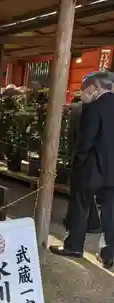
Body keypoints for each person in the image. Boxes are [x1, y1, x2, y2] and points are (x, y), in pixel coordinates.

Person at [50, 72, 114, 269]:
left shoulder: (93, 108)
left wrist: (76, 163)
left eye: (84, 90)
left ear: (94, 88)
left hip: (90, 169)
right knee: (110, 211)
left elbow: (85, 141)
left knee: (80, 206)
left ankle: (74, 246)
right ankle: (109, 252)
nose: (82, 95)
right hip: (112, 171)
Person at [64, 88, 101, 234]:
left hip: (83, 157)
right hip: (97, 159)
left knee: (79, 193)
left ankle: (83, 224)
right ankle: (91, 222)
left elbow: (72, 136)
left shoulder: (79, 110)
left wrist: (72, 156)